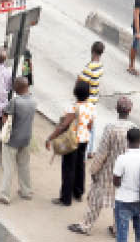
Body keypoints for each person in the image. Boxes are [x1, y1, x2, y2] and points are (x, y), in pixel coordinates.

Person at [69, 96, 135, 236]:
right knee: (120, 201)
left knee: (95, 199)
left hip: (108, 171)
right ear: (130, 110)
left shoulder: (111, 128)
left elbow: (102, 153)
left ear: (116, 109)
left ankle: (86, 226)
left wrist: (94, 170)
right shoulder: (133, 129)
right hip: (125, 174)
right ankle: (117, 229)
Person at [46, 79, 95, 207]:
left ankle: (65, 198)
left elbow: (63, 126)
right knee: (80, 166)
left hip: (72, 140)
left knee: (68, 168)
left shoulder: (73, 108)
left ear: (75, 92)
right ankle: (78, 193)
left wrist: (50, 138)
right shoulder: (91, 106)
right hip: (84, 140)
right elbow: (90, 125)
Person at [0, 76, 37, 205]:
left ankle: (4, 195)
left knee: (8, 167)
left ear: (17, 88)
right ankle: (26, 192)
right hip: (26, 138)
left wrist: (3, 114)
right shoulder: (34, 101)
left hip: (12, 139)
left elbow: (6, 119)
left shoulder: (15, 101)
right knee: (24, 166)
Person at [112, 127, 140, 242]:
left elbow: (116, 181)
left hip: (124, 200)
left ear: (127, 140)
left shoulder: (122, 158)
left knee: (122, 234)